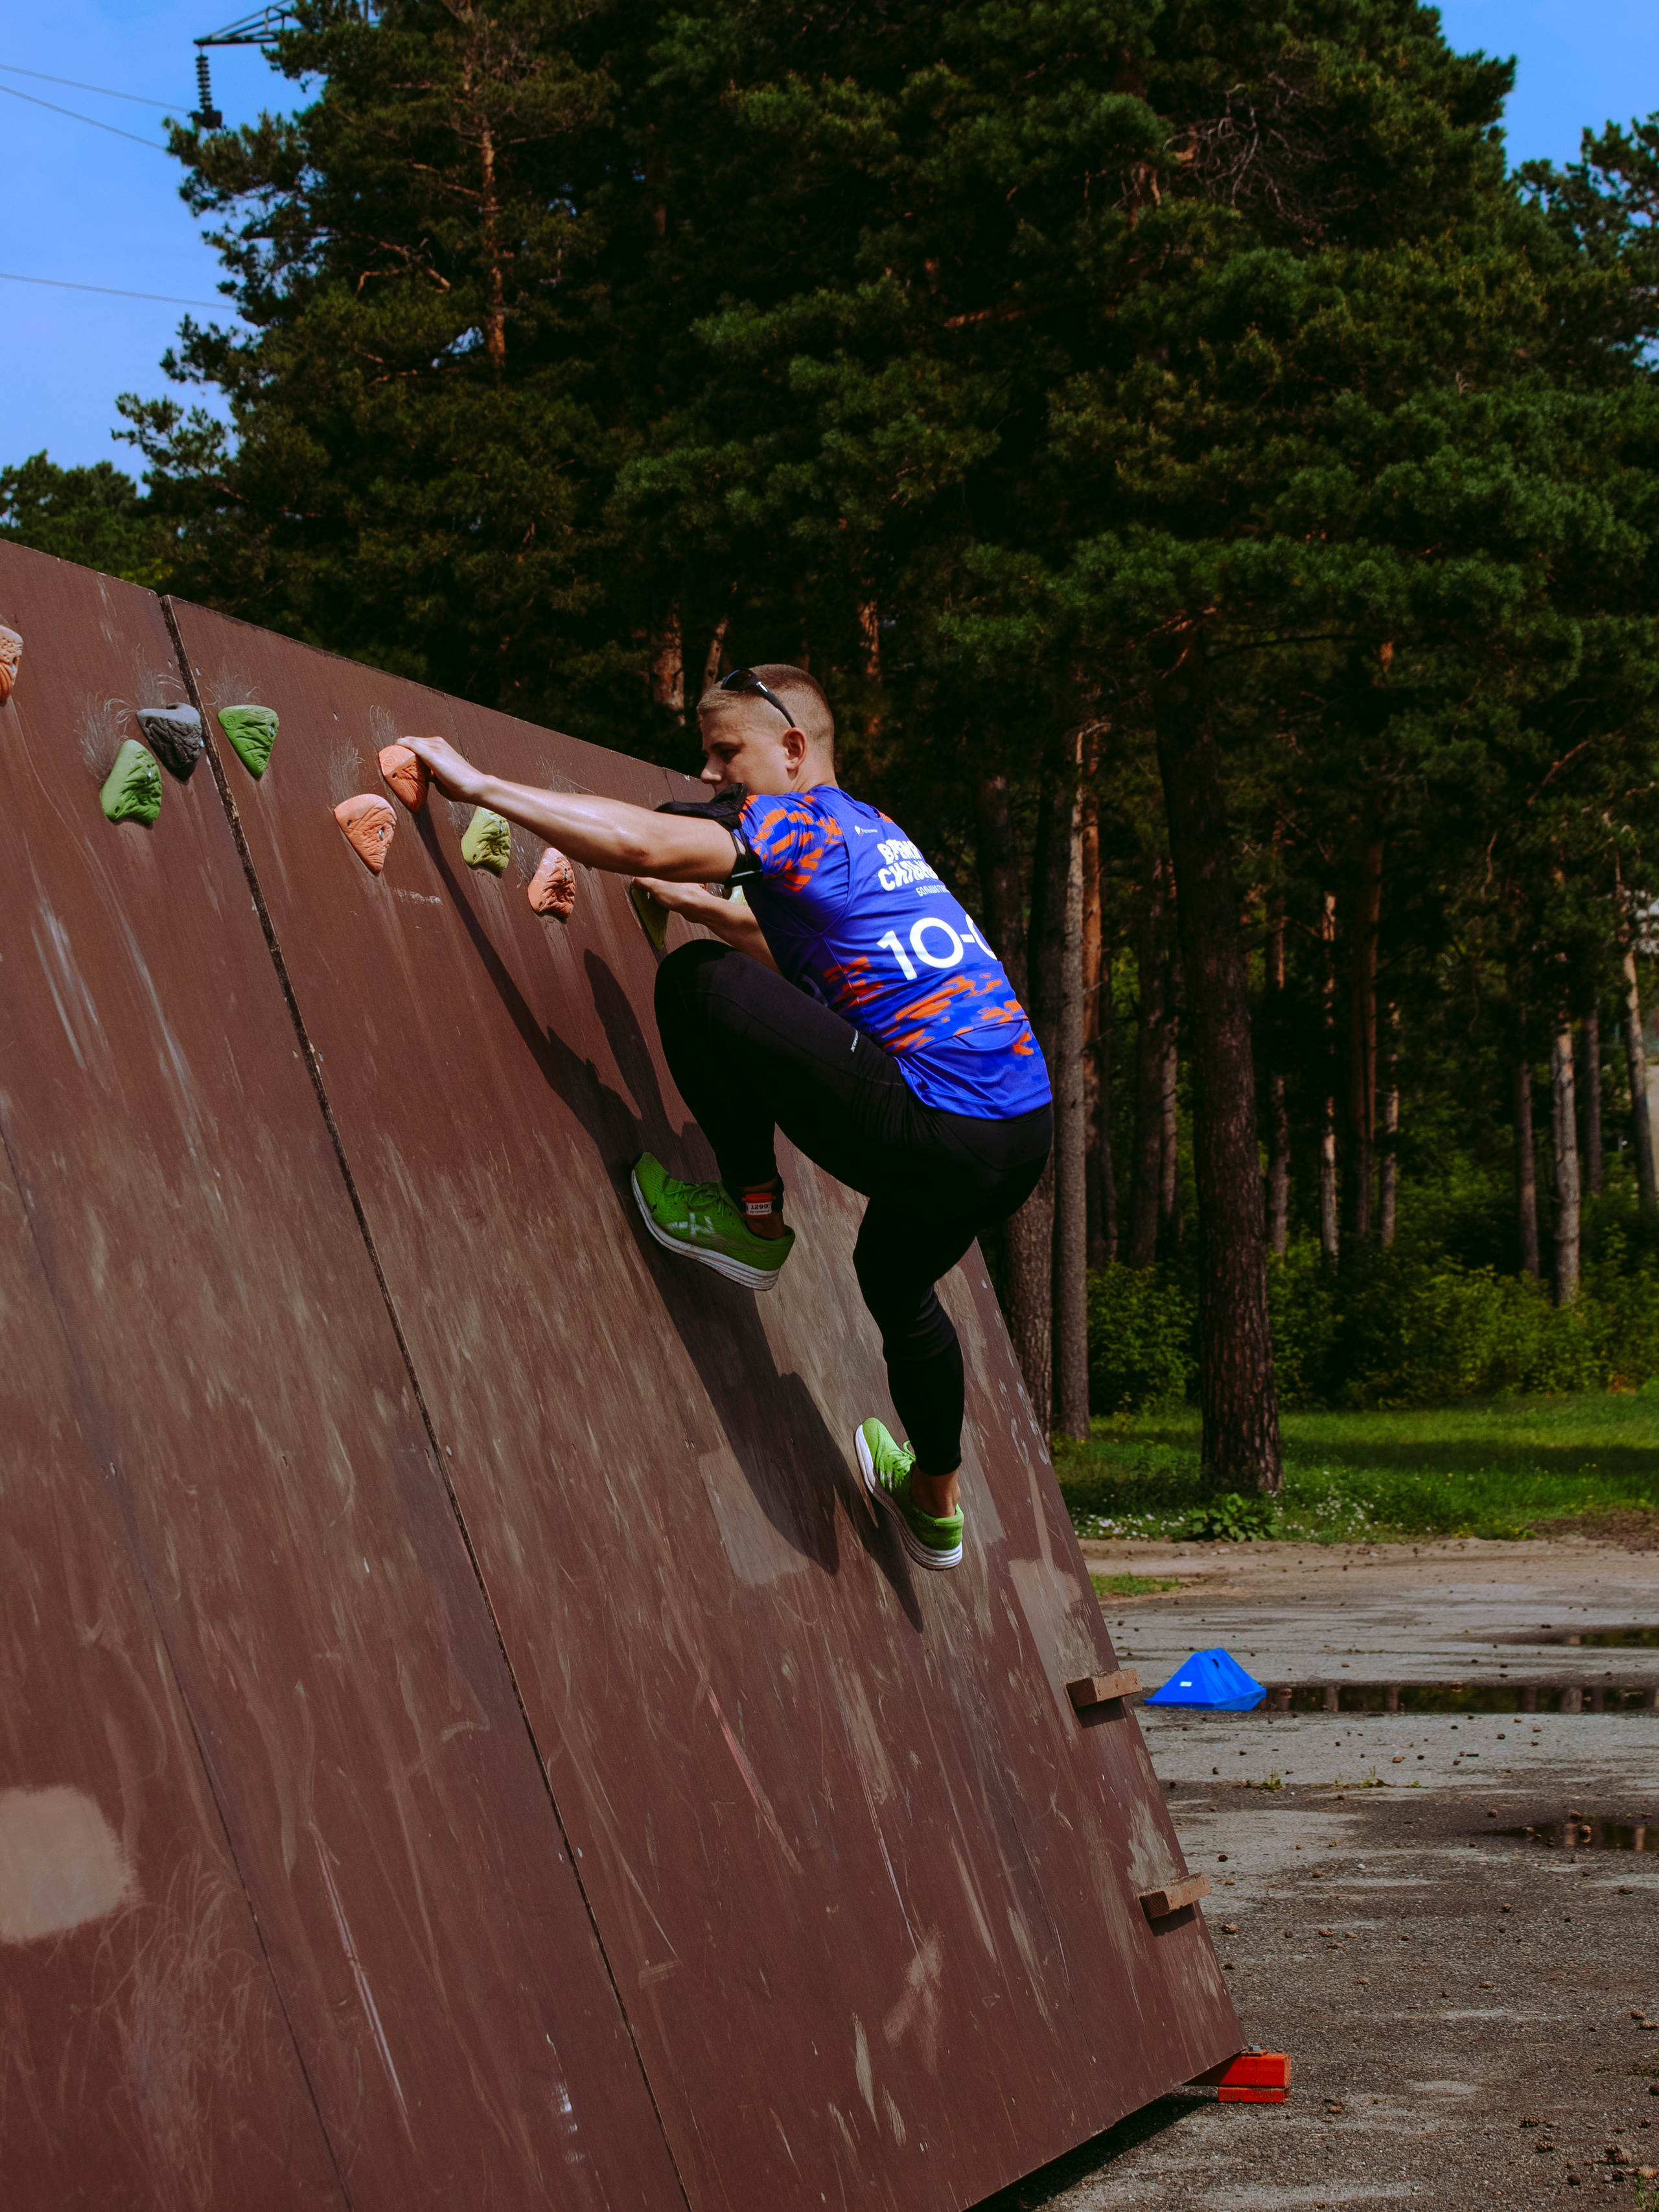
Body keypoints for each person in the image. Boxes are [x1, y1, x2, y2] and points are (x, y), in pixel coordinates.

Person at [404, 665, 1050, 1572]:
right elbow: (812, 950)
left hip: (937, 1124)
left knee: (698, 985)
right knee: (894, 1279)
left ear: (793, 750)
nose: (708, 772)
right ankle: (937, 1506)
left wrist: (477, 784)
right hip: (1018, 1132)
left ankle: (751, 1219)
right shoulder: (874, 831)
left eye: (725, 751)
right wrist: (707, 905)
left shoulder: (797, 820)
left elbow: (640, 839)